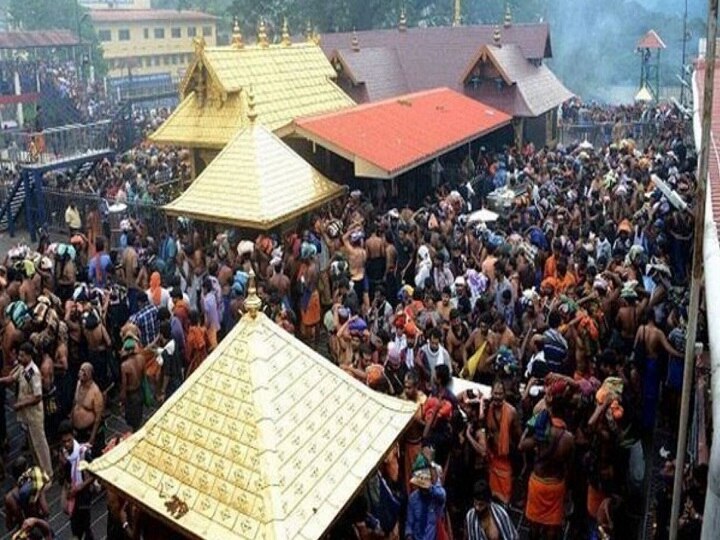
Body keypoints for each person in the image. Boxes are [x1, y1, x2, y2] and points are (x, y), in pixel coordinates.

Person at [520, 388, 575, 540]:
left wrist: (531, 425)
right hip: (556, 485)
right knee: (552, 529)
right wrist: (567, 494)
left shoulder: (542, 431)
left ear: (550, 411)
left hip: (538, 483)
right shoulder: (569, 438)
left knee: (534, 527)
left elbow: (521, 445)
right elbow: (569, 467)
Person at [0, 343, 52, 479]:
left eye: (22, 355)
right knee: (32, 445)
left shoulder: (33, 372)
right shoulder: (22, 368)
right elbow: (11, 378)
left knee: (40, 445)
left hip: (34, 415)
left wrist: (21, 404)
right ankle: (40, 470)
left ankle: (48, 473)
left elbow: (37, 396)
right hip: (27, 415)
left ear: (29, 356)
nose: (19, 357)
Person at [484, 381, 521, 505]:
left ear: (504, 395)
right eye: (495, 393)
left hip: (506, 458)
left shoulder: (511, 412)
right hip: (492, 457)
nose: (497, 396)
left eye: (500, 394)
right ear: (491, 393)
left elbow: (518, 435)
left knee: (505, 496)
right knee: (491, 494)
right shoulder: (487, 408)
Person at [58, 420, 95, 540]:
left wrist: (80, 487)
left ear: (73, 436)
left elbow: (94, 474)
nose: (67, 444)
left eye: (69, 440)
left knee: (86, 527)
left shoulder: (83, 453)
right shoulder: (63, 453)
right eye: (64, 442)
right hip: (71, 494)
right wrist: (62, 467)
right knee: (75, 527)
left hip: (83, 495)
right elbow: (61, 478)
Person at [405, 468, 446, 540]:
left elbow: (442, 495)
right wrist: (409, 535)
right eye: (421, 487)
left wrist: (431, 487)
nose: (423, 491)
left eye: (425, 489)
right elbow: (409, 523)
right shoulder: (413, 498)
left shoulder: (436, 498)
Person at [71, 362, 105, 449]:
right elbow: (75, 403)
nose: (80, 373)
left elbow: (98, 418)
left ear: (90, 374)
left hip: (88, 431)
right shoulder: (79, 384)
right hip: (77, 430)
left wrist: (92, 438)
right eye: (80, 370)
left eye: (84, 371)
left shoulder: (96, 392)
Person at [119, 335, 144, 432]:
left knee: (132, 420)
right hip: (139, 391)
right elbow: (143, 376)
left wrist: (122, 401)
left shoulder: (124, 366)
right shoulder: (141, 358)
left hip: (131, 395)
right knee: (139, 417)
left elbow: (124, 386)